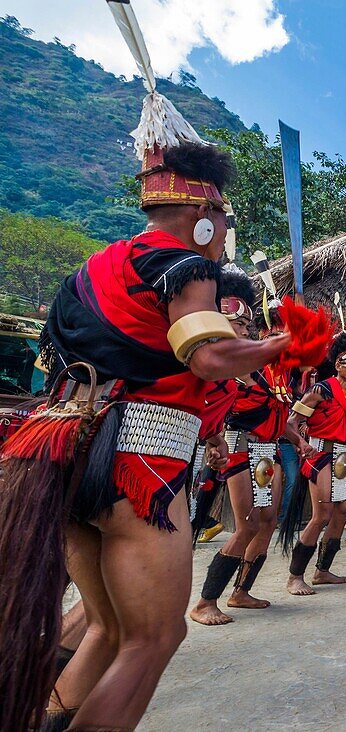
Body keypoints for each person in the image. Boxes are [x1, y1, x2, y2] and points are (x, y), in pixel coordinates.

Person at [0, 132, 291, 730]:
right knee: (155, 635)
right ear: (204, 215)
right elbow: (206, 357)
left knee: (106, 626)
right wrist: (280, 345)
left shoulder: (96, 265)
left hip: (59, 445)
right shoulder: (186, 267)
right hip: (138, 456)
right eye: (222, 215)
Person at [189, 268, 313, 626]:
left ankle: (241, 591)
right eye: (239, 325)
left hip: (267, 449)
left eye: (247, 326)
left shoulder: (275, 376)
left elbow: (279, 417)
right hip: (237, 443)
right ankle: (205, 601)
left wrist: (298, 440)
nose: (244, 331)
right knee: (245, 524)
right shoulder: (232, 363)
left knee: (267, 521)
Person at [280, 332, 346, 595]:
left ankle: (322, 570)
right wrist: (301, 443)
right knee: (322, 515)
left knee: (343, 512)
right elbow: (290, 423)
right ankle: (295, 577)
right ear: (338, 364)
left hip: (345, 456)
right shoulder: (321, 390)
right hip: (321, 454)